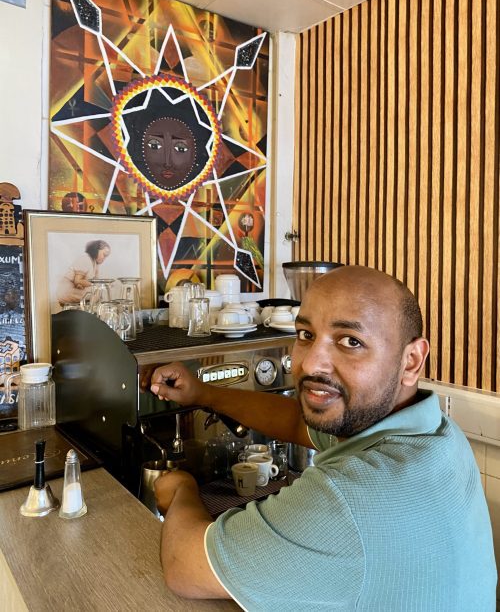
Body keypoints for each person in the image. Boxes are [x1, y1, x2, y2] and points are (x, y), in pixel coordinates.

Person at [149, 265, 496, 611]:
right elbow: (297, 423)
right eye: (305, 335)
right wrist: (203, 393)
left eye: (351, 341)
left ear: (411, 361)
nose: (312, 364)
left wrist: (181, 490)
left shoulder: (345, 499)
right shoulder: (437, 434)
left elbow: (184, 564)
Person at [55, 239, 111, 307]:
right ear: (96, 250)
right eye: (104, 255)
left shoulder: (94, 264)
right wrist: (96, 285)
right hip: (65, 291)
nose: (104, 258)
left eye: (106, 257)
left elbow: (80, 284)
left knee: (98, 292)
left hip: (73, 290)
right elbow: (77, 281)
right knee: (97, 293)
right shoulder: (86, 259)